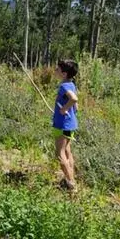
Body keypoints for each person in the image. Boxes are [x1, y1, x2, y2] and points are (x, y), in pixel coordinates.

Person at [53, 59, 79, 192]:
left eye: (57, 69)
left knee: (59, 153)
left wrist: (63, 110)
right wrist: (70, 110)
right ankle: (70, 180)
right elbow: (76, 105)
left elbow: (74, 99)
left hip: (62, 124)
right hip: (70, 123)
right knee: (67, 151)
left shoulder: (64, 86)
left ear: (64, 73)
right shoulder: (71, 84)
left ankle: (71, 184)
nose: (55, 71)